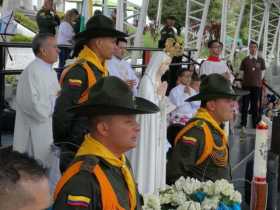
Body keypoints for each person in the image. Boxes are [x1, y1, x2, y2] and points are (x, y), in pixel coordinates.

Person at [53, 76, 159, 210]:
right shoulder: (83, 180)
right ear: (103, 128)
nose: (137, 127)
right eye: (129, 121)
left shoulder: (120, 162)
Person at [53, 15, 127, 172]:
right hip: (78, 147)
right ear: (99, 43)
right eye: (113, 42)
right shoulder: (80, 71)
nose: (115, 47)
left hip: (94, 144)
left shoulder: (100, 69)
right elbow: (62, 113)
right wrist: (67, 146)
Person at [166, 74, 247, 184]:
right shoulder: (197, 132)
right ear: (211, 105)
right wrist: (201, 197)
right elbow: (175, 175)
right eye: (228, 100)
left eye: (233, 100)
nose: (233, 104)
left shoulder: (214, 127)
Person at [128, 46, 177, 194]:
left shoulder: (157, 81)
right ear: (157, 63)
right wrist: (160, 96)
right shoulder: (146, 82)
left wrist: (162, 98)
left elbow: (158, 107)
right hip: (148, 131)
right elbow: (147, 110)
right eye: (166, 64)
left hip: (157, 128)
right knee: (146, 161)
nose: (167, 68)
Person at [13, 33, 60, 166]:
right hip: (33, 133)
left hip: (48, 128)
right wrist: (56, 101)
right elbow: (31, 105)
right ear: (43, 50)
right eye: (55, 46)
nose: (59, 50)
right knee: (31, 172)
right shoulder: (31, 72)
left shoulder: (50, 71)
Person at [240, 41, 266, 130]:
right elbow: (241, 73)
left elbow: (262, 73)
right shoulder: (245, 60)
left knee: (255, 106)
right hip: (246, 86)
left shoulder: (261, 60)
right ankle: (243, 124)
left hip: (257, 86)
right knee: (245, 105)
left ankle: (255, 125)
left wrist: (257, 81)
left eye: (255, 47)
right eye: (251, 47)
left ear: (257, 48)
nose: (253, 49)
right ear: (249, 48)